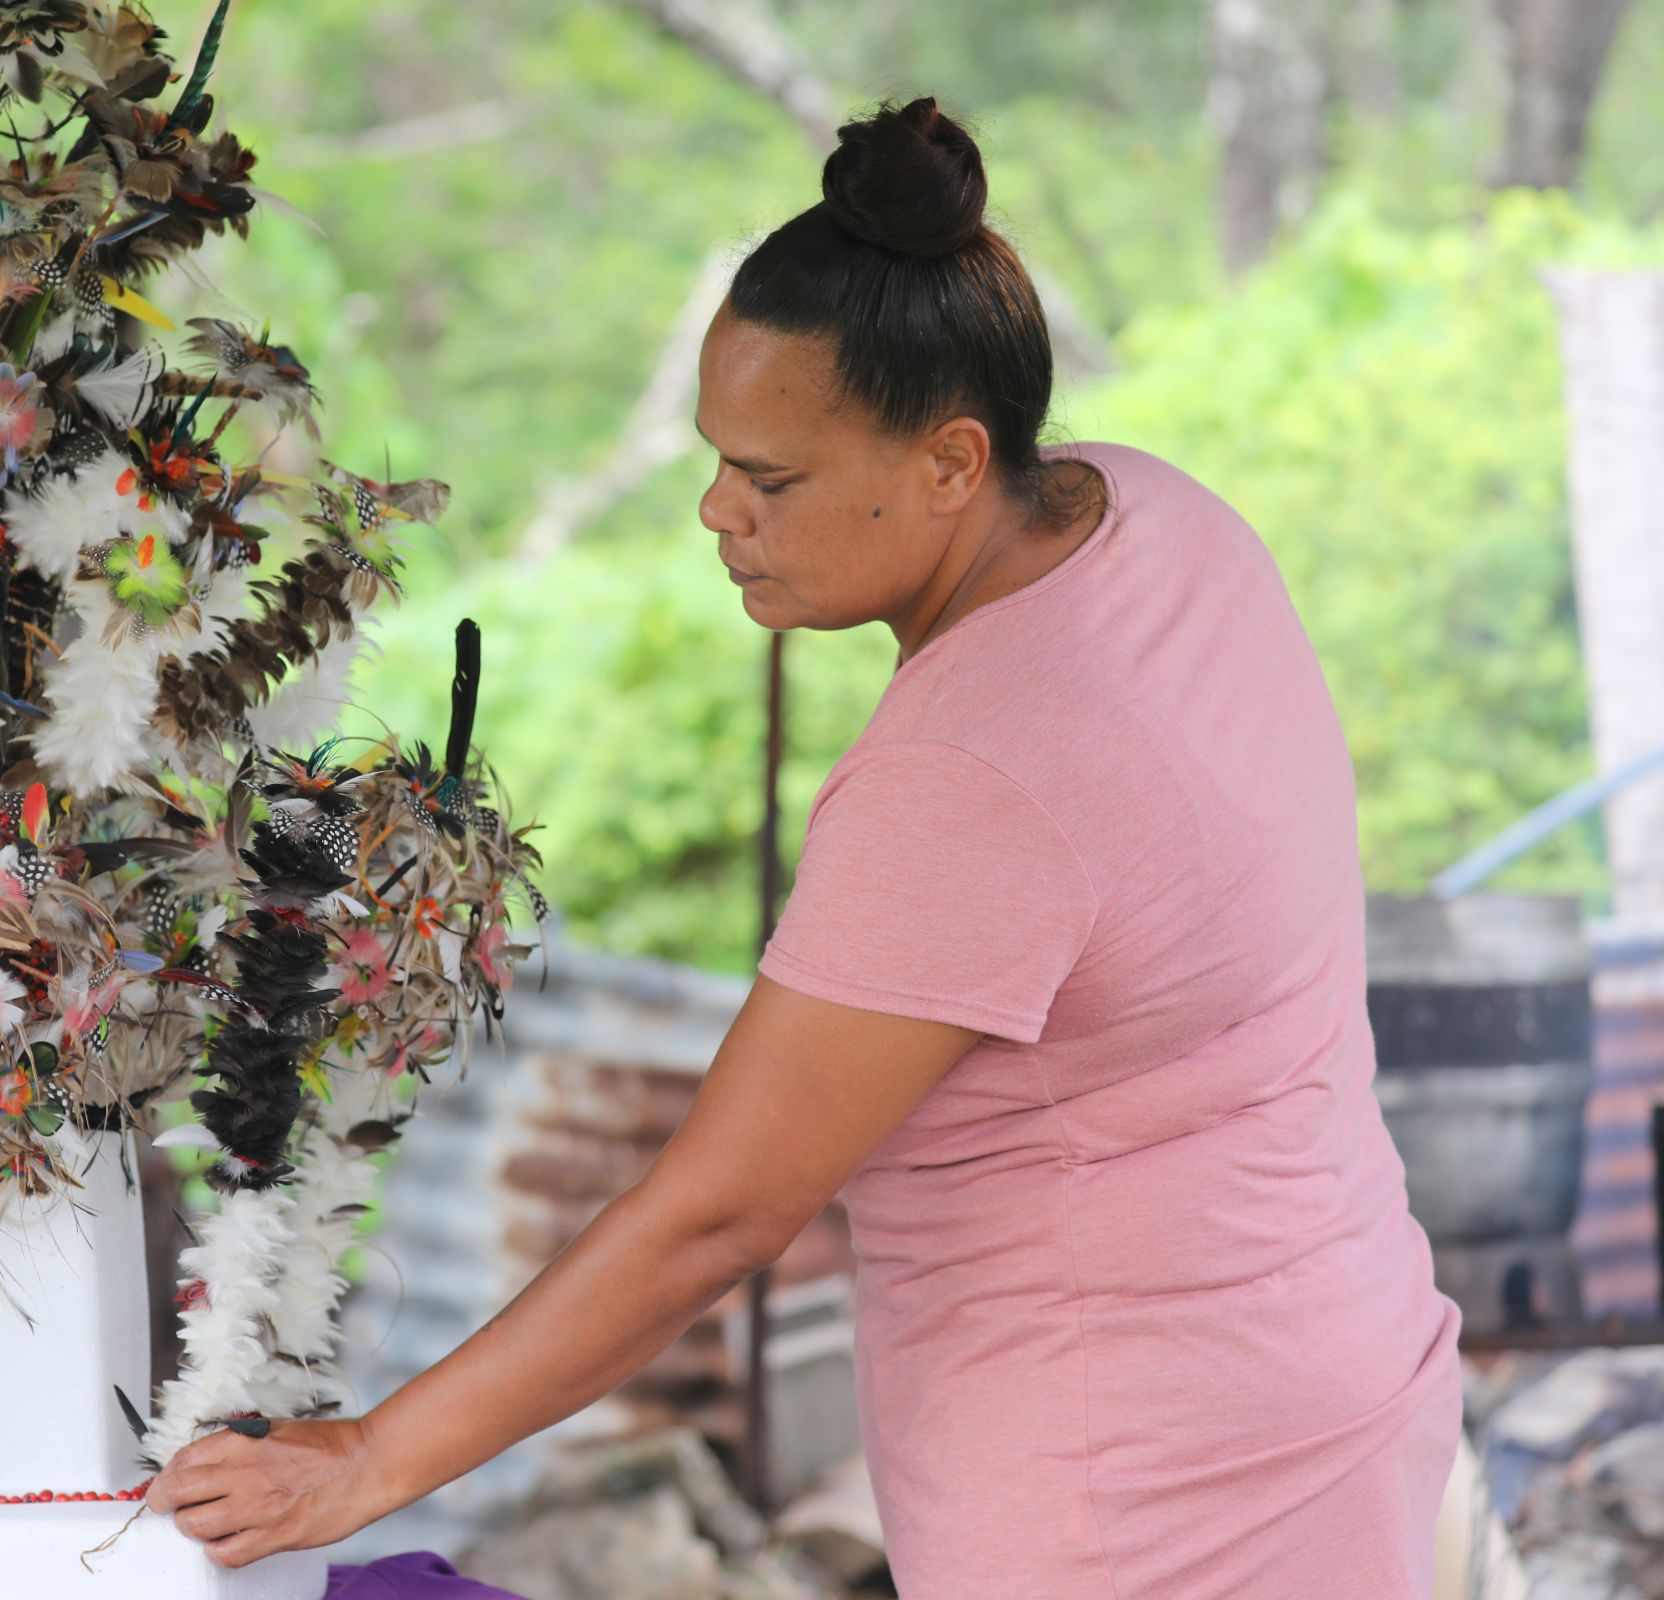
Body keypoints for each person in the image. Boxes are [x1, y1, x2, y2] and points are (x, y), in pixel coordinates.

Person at [146, 93, 1465, 1598]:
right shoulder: (1157, 518)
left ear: (956, 461)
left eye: (771, 480)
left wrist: (373, 1460)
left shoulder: (975, 774)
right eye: (719, 461)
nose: (718, 512)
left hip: (1139, 1504)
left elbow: (719, 1213)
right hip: (1336, 1372)